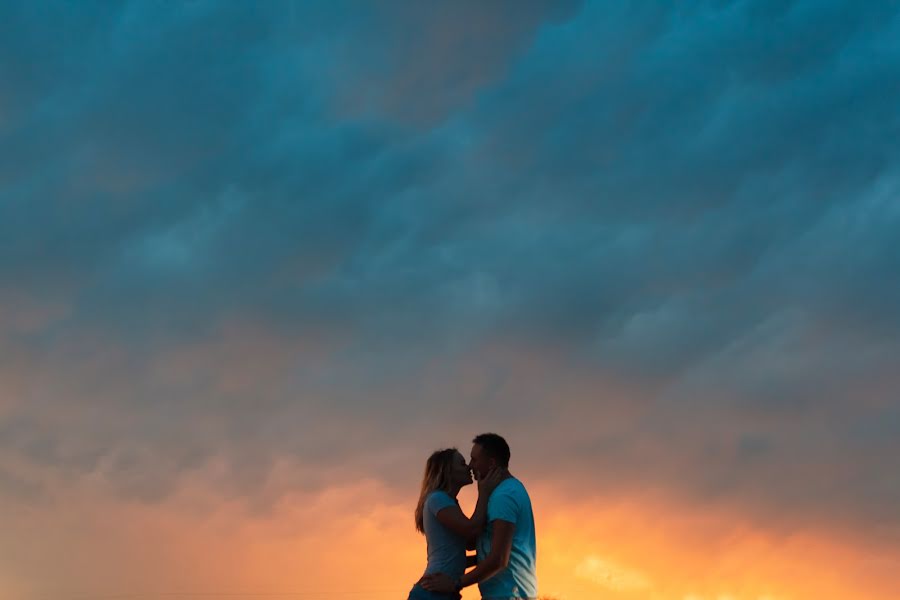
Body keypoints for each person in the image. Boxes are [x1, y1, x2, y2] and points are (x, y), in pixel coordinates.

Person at [421, 433, 537, 600]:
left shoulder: (503, 496)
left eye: (474, 460)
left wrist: (455, 584)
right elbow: (474, 543)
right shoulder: (502, 492)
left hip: (509, 594)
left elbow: (498, 559)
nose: (470, 466)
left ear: (491, 463)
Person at [408, 447, 502, 600]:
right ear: (448, 471)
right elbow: (472, 530)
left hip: (442, 591)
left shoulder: (448, 502)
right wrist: (484, 492)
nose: (469, 467)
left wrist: (495, 557)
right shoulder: (438, 499)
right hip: (433, 593)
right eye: (462, 463)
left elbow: (467, 545)